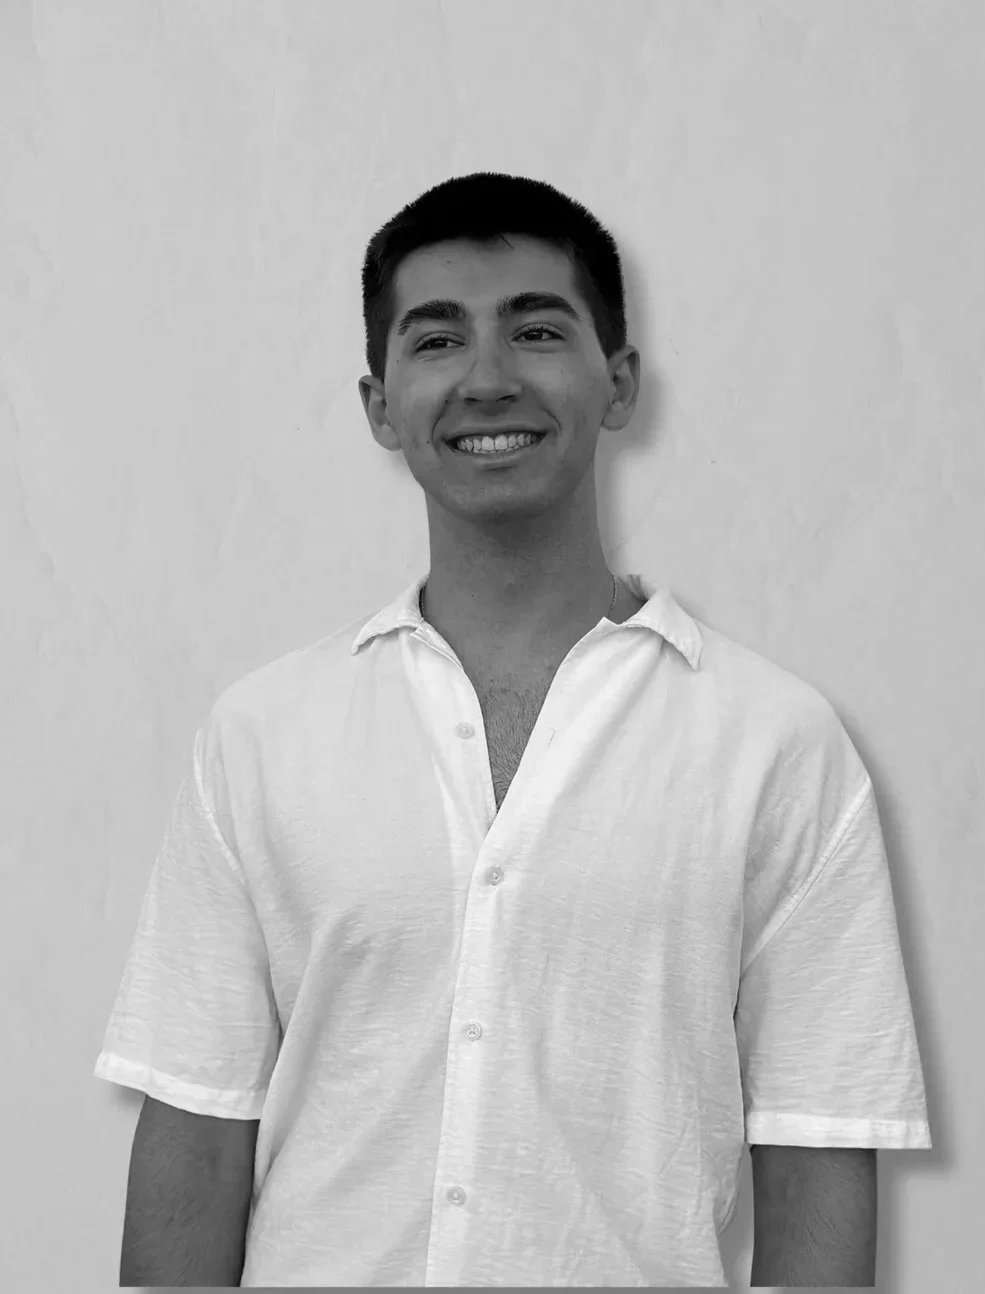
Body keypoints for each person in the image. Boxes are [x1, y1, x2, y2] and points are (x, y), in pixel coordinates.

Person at [95, 171, 931, 1288]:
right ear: (380, 403)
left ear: (618, 381)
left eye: (537, 330)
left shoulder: (775, 742)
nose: (488, 380)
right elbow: (197, 1134)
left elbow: (817, 1149)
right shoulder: (261, 736)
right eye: (435, 341)